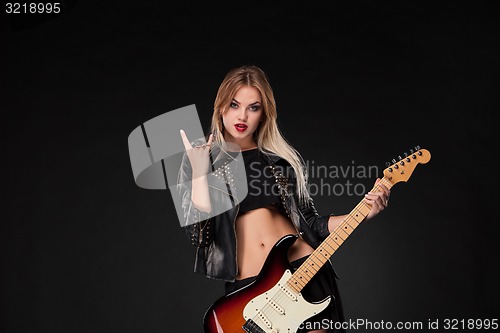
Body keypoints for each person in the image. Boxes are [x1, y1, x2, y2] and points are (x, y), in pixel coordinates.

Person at [177, 65, 390, 333]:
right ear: (221, 107)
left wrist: (362, 213)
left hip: (303, 271)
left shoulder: (281, 161)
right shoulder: (199, 160)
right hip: (250, 290)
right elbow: (199, 236)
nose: (242, 115)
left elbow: (311, 223)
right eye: (234, 104)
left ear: (263, 113)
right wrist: (199, 172)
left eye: (253, 107)